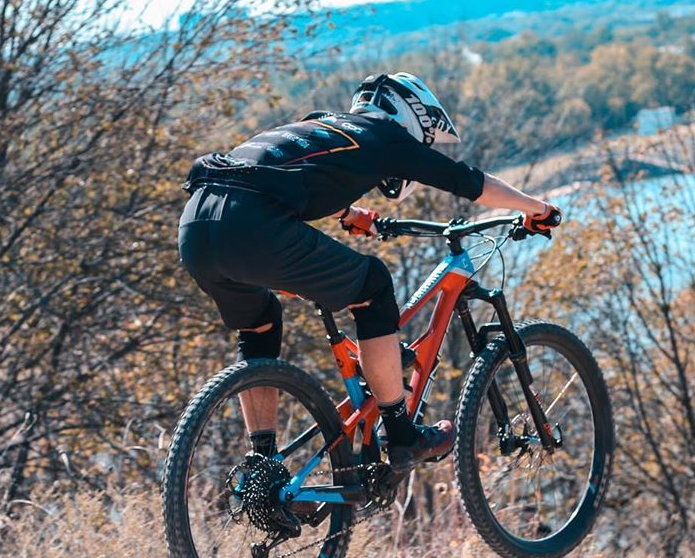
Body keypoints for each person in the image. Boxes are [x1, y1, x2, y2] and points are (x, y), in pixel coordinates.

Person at [178, 72, 559, 473]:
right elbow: (469, 182)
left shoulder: (323, 125)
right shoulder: (385, 134)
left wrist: (348, 213)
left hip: (196, 227)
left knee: (260, 325)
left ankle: (263, 464)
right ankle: (402, 435)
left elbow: (283, 175)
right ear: (411, 118)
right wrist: (537, 208)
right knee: (373, 286)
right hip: (251, 225)